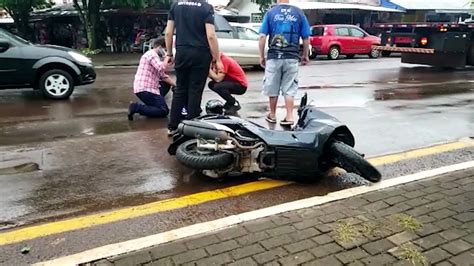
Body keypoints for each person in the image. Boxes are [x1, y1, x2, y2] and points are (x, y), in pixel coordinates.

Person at [164, 0, 223, 135]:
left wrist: (169, 53)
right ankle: (192, 127)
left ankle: (173, 126)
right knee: (195, 91)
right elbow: (211, 36)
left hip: (182, 52)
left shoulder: (176, 5)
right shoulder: (206, 7)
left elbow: (168, 32)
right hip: (201, 53)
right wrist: (217, 58)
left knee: (180, 89)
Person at [259, 0, 311, 126]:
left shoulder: (271, 12)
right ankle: (289, 116)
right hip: (292, 56)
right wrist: (305, 54)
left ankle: (272, 114)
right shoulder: (299, 13)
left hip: (274, 56)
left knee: (272, 85)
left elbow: (262, 36)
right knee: (289, 87)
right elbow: (306, 37)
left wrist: (261, 56)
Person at [128, 37, 176, 121]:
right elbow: (161, 68)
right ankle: (136, 108)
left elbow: (163, 76)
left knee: (166, 84)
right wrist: (167, 57)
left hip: (147, 88)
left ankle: (154, 104)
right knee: (163, 110)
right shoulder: (152, 54)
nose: (165, 52)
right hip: (146, 89)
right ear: (160, 47)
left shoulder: (154, 56)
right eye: (165, 49)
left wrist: (176, 85)